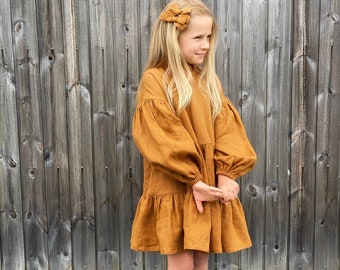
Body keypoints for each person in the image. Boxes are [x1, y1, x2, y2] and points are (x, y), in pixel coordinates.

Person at [130, 0, 257, 269]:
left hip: (206, 187)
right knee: (182, 264)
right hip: (176, 184)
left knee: (201, 261)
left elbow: (227, 131)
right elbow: (162, 136)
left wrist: (225, 176)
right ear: (173, 40)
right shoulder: (156, 79)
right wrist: (193, 180)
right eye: (198, 37)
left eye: (209, 37)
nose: (206, 45)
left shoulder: (207, 80)